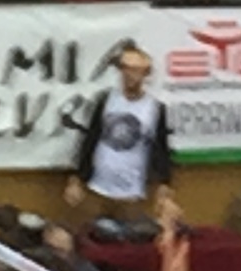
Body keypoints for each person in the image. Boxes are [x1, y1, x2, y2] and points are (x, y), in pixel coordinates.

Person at [66, 45, 173, 226]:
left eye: (135, 70)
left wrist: (164, 184)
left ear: (146, 74)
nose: (129, 75)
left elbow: (161, 148)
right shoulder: (105, 100)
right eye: (125, 69)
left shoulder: (154, 108)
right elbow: (89, 139)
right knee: (87, 233)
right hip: (96, 188)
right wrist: (76, 179)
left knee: (131, 237)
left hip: (132, 193)